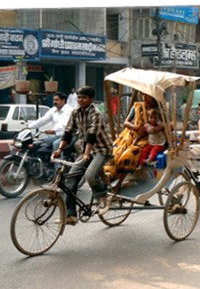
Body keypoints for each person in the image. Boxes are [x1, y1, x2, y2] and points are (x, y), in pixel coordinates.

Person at [52, 86, 113, 226]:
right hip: (85, 151)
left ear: (91, 99)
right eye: (79, 97)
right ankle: (71, 215)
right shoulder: (75, 113)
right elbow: (68, 132)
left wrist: (86, 154)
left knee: (90, 175)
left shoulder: (96, 114)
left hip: (102, 150)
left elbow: (91, 136)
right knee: (70, 180)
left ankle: (104, 197)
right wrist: (59, 149)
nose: (81, 100)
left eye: (84, 97)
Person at [104, 92, 159, 180]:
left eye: (146, 94)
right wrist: (134, 127)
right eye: (142, 94)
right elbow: (126, 122)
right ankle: (109, 175)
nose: (143, 96)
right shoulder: (137, 106)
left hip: (146, 137)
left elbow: (160, 126)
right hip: (129, 134)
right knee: (115, 151)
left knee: (128, 155)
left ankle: (119, 182)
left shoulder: (157, 109)